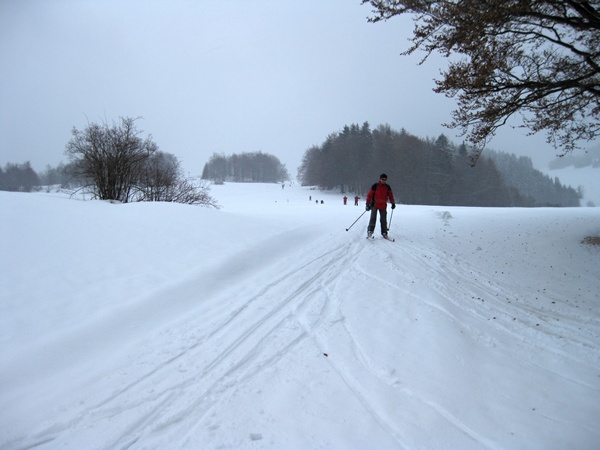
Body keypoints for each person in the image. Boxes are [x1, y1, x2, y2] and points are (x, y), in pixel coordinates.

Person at [366, 173, 396, 238]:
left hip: (383, 205)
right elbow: (369, 195)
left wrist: (393, 203)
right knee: (373, 218)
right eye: (383, 179)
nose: (384, 181)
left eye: (385, 179)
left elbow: (391, 196)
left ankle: (384, 232)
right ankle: (370, 231)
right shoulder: (375, 186)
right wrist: (367, 204)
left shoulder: (387, 187)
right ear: (380, 179)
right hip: (375, 204)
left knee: (383, 219)